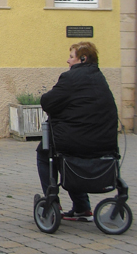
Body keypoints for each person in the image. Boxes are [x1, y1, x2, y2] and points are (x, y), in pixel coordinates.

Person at [37, 41, 118, 222]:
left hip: (76, 141)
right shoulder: (99, 78)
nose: (68, 61)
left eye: (71, 57)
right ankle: (82, 207)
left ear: (83, 58)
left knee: (44, 153)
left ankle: (54, 202)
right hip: (104, 143)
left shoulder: (70, 78)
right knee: (70, 159)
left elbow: (48, 102)